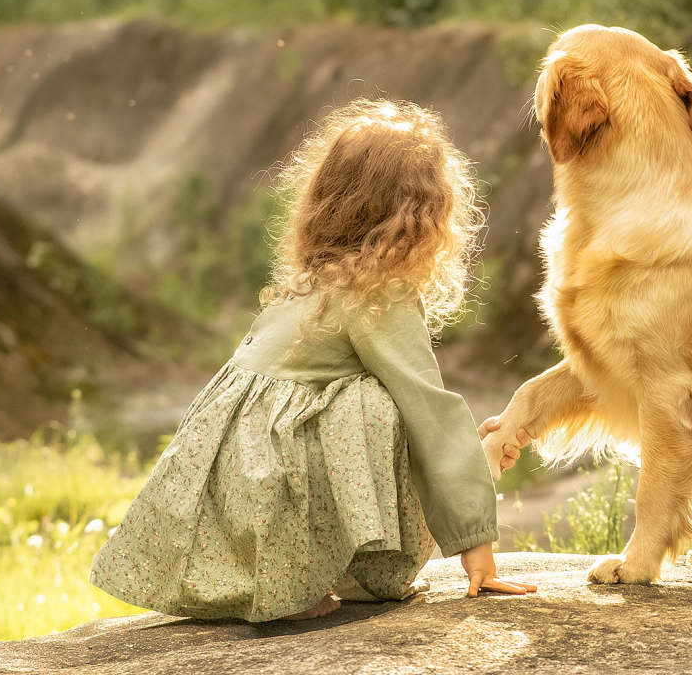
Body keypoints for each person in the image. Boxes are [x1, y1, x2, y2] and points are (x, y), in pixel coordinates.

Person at [90, 100, 536, 621]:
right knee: (378, 405)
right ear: (423, 213)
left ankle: (291, 575)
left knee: (358, 402)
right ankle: (315, 574)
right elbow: (429, 413)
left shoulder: (308, 285)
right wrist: (477, 546)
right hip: (272, 493)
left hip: (238, 504)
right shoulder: (379, 293)